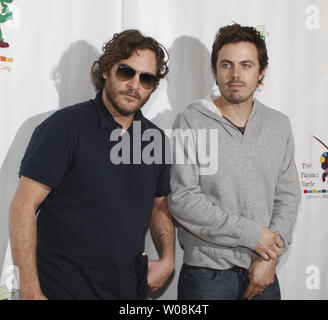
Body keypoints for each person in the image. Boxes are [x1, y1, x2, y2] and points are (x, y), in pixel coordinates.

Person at [9, 29, 175, 300]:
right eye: (126, 72)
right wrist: (29, 290)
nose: (135, 85)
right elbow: (23, 207)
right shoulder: (65, 127)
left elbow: (159, 206)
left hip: (127, 291)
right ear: (107, 70)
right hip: (62, 291)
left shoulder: (154, 139)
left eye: (146, 78)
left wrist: (168, 259)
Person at [168, 24, 301, 300]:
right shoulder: (191, 121)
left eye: (246, 65)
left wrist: (269, 257)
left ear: (261, 71)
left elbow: (287, 196)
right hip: (207, 276)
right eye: (226, 64)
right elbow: (183, 199)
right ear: (215, 70)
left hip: (263, 269)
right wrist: (254, 235)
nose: (235, 74)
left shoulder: (279, 125)